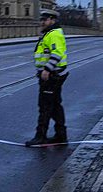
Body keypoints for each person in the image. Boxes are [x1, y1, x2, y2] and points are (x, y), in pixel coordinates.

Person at [25, 9, 69, 147]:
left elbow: (57, 53)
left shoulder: (54, 34)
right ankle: (61, 135)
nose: (41, 22)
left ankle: (40, 136)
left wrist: (47, 69)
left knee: (45, 107)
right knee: (55, 106)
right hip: (53, 75)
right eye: (41, 20)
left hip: (51, 76)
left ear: (52, 20)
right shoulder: (50, 33)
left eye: (44, 20)